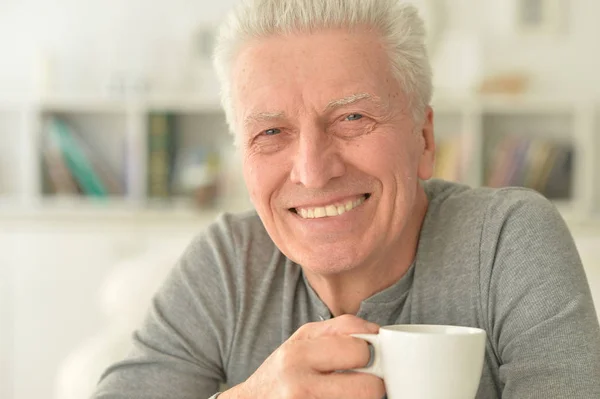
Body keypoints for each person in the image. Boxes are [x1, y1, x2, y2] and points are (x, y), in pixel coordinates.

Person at [93, 0, 600, 398]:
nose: (313, 172)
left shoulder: (507, 241)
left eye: (353, 118)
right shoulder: (229, 262)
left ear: (425, 140)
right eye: (271, 131)